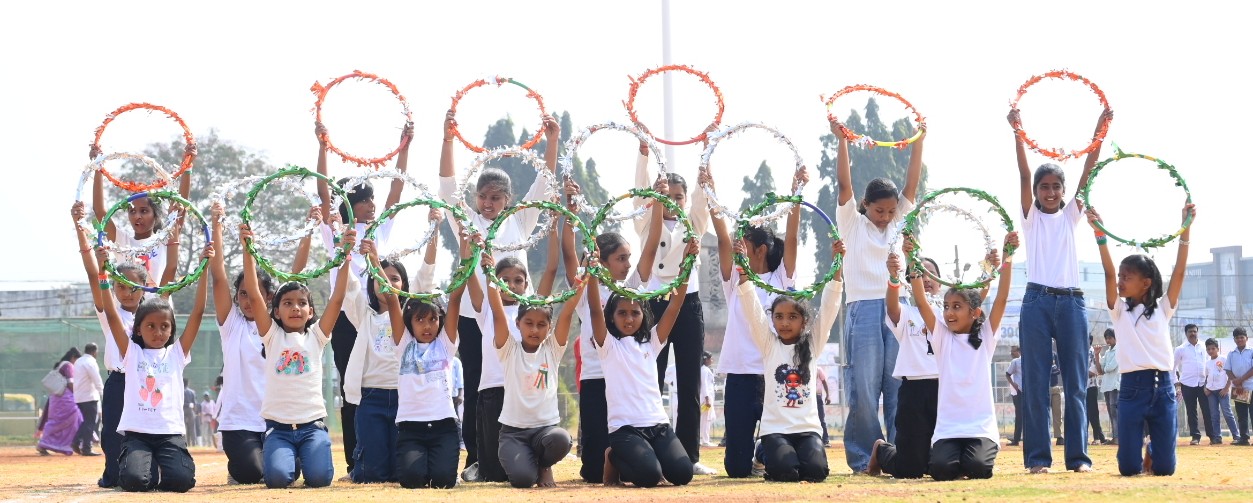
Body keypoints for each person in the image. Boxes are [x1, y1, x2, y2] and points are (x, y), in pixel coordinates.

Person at [438, 110, 560, 478]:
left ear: (507, 199)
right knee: (478, 382)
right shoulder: (467, 220)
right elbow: (446, 186)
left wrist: (551, 141)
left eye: (495, 198)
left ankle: (530, 448)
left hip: (516, 317)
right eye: (482, 197)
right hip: (478, 313)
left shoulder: (520, 221)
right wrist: (447, 139)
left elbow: (544, 186)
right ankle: (478, 457)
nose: (488, 204)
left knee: (520, 382)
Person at [1009, 108, 1111, 473]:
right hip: (1036, 301)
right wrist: (1018, 132)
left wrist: (1100, 130)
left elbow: (1089, 170)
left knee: (1076, 384)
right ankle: (1038, 459)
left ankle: (1079, 458)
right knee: (1035, 384)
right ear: (1036, 192)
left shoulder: (1071, 215)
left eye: (1056, 187)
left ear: (1064, 193)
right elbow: (1022, 172)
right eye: (1044, 187)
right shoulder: (1030, 217)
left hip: (1072, 303)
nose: (1050, 192)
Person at [315, 120, 413, 478]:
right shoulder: (336, 233)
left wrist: (405, 144)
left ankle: (394, 448)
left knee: (388, 379)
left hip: (380, 314)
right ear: (348, 206)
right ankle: (356, 461)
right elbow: (324, 191)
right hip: (345, 315)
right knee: (350, 384)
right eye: (363, 200)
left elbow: (398, 189)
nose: (372, 204)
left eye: (372, 198)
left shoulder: (379, 229)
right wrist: (323, 145)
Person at [830, 115, 925, 473]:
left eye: (889, 211)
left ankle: (901, 452)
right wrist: (841, 141)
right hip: (863, 309)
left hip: (897, 308)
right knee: (865, 389)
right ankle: (862, 456)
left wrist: (919, 139)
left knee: (898, 385)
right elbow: (844, 184)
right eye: (879, 210)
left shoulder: (900, 221)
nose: (885, 216)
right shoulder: (851, 224)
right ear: (865, 206)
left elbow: (912, 184)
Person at [703, 166, 803, 477]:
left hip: (776, 373)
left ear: (759, 249)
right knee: (736, 468)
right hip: (740, 375)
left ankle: (766, 450)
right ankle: (750, 453)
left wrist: (796, 193)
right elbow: (721, 238)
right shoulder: (735, 279)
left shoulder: (781, 278)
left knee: (780, 459)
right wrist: (710, 191)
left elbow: (793, 237)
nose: (735, 244)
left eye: (742, 241)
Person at [207, 202, 315, 484]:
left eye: (252, 294)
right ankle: (239, 466)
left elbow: (297, 276)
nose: (246, 300)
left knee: (288, 473)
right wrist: (216, 225)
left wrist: (309, 230)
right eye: (241, 294)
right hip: (239, 423)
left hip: (277, 421)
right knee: (254, 473)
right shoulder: (231, 325)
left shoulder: (276, 328)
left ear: (268, 298)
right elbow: (218, 276)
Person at [241, 224, 356, 488]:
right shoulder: (271, 336)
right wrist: (248, 249)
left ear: (311, 311)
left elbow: (338, 299)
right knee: (279, 479)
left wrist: (346, 255)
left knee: (319, 479)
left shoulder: (316, 336)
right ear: (277, 312)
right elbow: (256, 297)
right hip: (278, 430)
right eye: (288, 303)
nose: (295, 308)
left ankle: (306, 455)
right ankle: (286, 458)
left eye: (302, 303)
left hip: (311, 427)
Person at [97, 240, 213, 492]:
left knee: (182, 482)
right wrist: (103, 269)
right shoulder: (131, 353)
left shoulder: (176, 353)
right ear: (138, 329)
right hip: (137, 434)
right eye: (150, 326)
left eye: (164, 326)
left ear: (172, 329)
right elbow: (110, 311)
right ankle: (138, 461)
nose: (158, 332)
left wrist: (204, 269)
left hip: (169, 434)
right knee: (134, 481)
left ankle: (164, 463)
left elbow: (198, 312)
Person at [1090, 202, 1194, 476]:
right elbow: (1109, 273)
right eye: (1121, 277)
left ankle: (1154, 452)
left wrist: (1186, 229)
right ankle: (1136, 450)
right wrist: (1099, 234)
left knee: (1165, 470)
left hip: (1164, 389)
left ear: (1146, 283)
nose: (1120, 282)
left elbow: (1180, 273)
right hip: (1132, 388)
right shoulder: (1119, 311)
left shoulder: (1163, 308)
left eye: (1128, 277)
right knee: (1127, 468)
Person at [633, 132, 716, 476]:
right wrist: (642, 158)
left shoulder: (693, 222)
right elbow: (640, 194)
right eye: (668, 197)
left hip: (688, 302)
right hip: (653, 302)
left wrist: (706, 154)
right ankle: (647, 444)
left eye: (679, 197)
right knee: (649, 374)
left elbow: (703, 195)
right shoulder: (645, 222)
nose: (674, 203)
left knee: (689, 378)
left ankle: (690, 454)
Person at [735, 239, 844, 482]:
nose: (785, 323)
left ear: (803, 321)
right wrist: (742, 269)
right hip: (776, 430)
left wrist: (837, 265)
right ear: (772, 319)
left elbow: (829, 308)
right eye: (779, 317)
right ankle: (763, 451)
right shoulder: (768, 344)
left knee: (816, 473)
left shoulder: (813, 344)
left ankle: (774, 453)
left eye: (792, 317)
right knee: (786, 472)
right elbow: (752, 308)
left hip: (807, 430)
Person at [910, 232, 1017, 481]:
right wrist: (911, 259)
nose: (949, 313)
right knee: (941, 470)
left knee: (978, 467)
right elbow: (923, 302)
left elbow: (1001, 297)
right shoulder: (942, 338)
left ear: (974, 312)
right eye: (947, 307)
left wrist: (1007, 257)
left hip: (980, 429)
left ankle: (973, 458)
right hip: (948, 429)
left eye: (956, 307)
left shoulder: (986, 338)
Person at [592, 240, 698, 488]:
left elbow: (675, 304)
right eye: (622, 313)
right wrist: (592, 274)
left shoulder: (652, 341)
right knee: (649, 476)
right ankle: (613, 457)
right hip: (625, 429)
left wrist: (686, 265)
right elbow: (595, 310)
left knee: (683, 474)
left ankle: (650, 455)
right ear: (612, 316)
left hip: (657, 425)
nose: (629, 319)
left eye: (635, 313)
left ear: (644, 315)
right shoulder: (607, 345)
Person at [561, 180, 647, 483]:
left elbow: (650, 252)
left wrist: (659, 205)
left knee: (626, 441)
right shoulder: (586, 290)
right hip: (595, 375)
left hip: (623, 378)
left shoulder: (630, 291)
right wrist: (571, 214)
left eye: (628, 258)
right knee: (595, 469)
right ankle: (600, 463)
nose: (627, 264)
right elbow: (569, 254)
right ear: (603, 261)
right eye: (621, 259)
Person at [72, 201, 159, 488]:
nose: (128, 292)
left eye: (135, 286)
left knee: (146, 429)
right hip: (118, 380)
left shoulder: (153, 308)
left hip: (146, 380)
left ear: (145, 287)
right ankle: (112, 473)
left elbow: (170, 264)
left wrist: (177, 227)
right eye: (121, 285)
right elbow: (91, 274)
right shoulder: (110, 311)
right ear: (114, 286)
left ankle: (148, 468)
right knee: (111, 431)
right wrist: (80, 228)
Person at [382, 234, 468, 489]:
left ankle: (444, 467)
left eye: (432, 319)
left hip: (444, 427)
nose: (427, 326)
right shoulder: (404, 344)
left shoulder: (446, 344)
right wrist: (374, 259)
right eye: (420, 320)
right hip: (411, 429)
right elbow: (390, 297)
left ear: (440, 321)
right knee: (412, 482)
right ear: (410, 323)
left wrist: (467, 255)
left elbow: (455, 299)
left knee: (443, 482)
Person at [487, 249, 576, 488]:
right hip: (513, 433)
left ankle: (544, 465)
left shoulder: (552, 350)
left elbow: (567, 312)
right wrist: (490, 278)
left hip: (544, 432)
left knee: (561, 439)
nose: (534, 330)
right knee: (523, 480)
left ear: (549, 327)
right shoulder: (509, 349)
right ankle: (527, 464)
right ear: (518, 324)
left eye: (541, 325)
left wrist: (583, 282)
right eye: (528, 323)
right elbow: (497, 313)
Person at [37, 348, 84, 456]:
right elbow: (70, 383)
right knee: (77, 418)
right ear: (73, 357)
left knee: (58, 421)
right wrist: (77, 396)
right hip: (65, 398)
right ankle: (66, 443)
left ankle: (48, 443)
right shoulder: (68, 365)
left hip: (57, 398)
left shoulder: (61, 365)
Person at [1174, 324, 1213, 445]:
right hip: (1187, 384)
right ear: (1186, 333)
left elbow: (1209, 364)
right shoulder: (1180, 349)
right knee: (1191, 411)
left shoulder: (1203, 347)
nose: (1193, 333)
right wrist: (1176, 383)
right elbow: (1172, 367)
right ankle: (1195, 437)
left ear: (1197, 332)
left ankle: (1213, 436)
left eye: (1195, 331)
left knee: (1207, 410)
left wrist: (1209, 382)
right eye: (1190, 331)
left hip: (1203, 384)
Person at [1204, 338, 1239, 444]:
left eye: (1213, 348)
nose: (1211, 351)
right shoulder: (1207, 363)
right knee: (1214, 415)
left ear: (1217, 349)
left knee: (1227, 413)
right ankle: (1217, 437)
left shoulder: (1223, 359)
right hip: (1211, 392)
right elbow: (1206, 377)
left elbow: (1229, 375)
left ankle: (1236, 436)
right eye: (1208, 349)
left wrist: (1226, 388)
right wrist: (1205, 388)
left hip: (1222, 391)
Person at [73, 342, 104, 456]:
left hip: (79, 397)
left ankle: (80, 443)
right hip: (89, 397)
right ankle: (85, 447)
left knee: (85, 422)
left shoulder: (78, 361)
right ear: (94, 351)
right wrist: (103, 394)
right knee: (90, 422)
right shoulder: (90, 362)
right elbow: (97, 379)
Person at [1226, 328, 1252, 445]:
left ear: (1246, 338)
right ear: (1234, 340)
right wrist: (1236, 382)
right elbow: (1228, 369)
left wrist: (1241, 380)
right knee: (1241, 415)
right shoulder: (1232, 354)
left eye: (1242, 337)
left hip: (1251, 387)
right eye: (1237, 337)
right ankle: (1244, 439)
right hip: (1239, 389)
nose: (1240, 339)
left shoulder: (1251, 351)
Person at [1095, 329, 1119, 445]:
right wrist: (1097, 354)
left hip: (1115, 386)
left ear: (1115, 338)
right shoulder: (1108, 352)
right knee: (1111, 412)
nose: (1108, 340)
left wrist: (1103, 370)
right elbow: (1100, 369)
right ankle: (1115, 437)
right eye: (1106, 338)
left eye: (1110, 338)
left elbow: (1109, 368)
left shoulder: (1119, 350)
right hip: (1106, 386)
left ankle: (1117, 437)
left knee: (1115, 412)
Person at [1086, 337, 1107, 444]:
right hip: (1081, 387)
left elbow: (1094, 371)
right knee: (1084, 413)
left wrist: (1080, 373)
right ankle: (1086, 438)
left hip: (1091, 386)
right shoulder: (1080, 351)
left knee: (1093, 413)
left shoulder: (1091, 352)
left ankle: (1097, 438)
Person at [1005, 346, 1023, 446]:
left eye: (1013, 351)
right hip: (1018, 391)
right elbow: (1007, 374)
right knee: (1019, 416)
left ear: (1019, 351)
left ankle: (1027, 438)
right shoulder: (1015, 362)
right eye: (1011, 351)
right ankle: (1016, 439)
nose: (1011, 353)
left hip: (1029, 391)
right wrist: (1013, 384)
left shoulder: (1029, 360)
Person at [699, 352, 716, 447]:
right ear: (705, 359)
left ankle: (704, 439)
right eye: (710, 358)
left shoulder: (704, 369)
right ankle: (705, 440)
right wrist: (707, 399)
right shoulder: (704, 370)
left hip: (707, 397)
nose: (711, 360)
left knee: (706, 419)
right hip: (706, 398)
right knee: (706, 419)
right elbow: (704, 385)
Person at [816, 366, 831, 446]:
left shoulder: (818, 369)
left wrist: (828, 395)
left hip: (817, 396)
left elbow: (824, 382)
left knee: (821, 418)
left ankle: (825, 440)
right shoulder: (803, 368)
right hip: (807, 398)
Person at [184, 379, 198, 446]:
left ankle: (185, 442)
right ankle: (194, 443)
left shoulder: (180, 391)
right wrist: (195, 412)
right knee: (192, 427)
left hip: (182, 410)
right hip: (190, 410)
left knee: (184, 427)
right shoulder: (192, 392)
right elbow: (195, 403)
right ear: (188, 383)